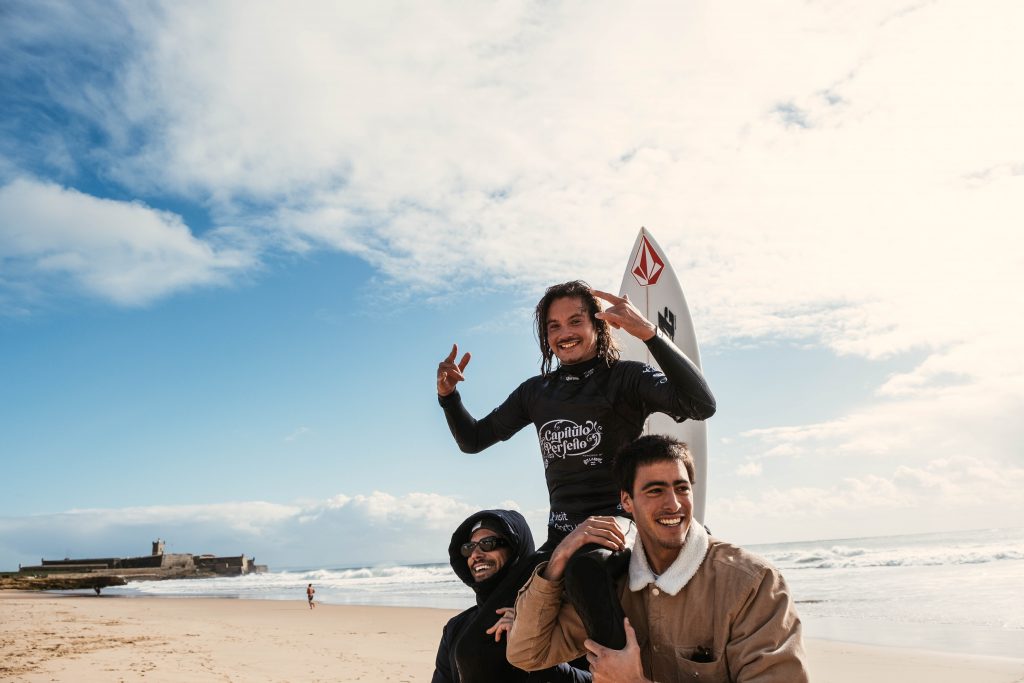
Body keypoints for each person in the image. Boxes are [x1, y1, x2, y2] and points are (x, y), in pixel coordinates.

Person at [436, 280, 716, 648]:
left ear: (597, 326)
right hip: (561, 536)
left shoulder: (626, 378)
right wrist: (448, 397)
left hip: (618, 524)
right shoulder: (536, 393)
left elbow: (699, 404)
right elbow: (473, 440)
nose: (564, 333)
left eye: (575, 321)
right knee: (474, 643)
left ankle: (618, 667)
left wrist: (649, 333)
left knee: (586, 567)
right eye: (554, 326)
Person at [506, 435, 809, 683]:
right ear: (626, 501)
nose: (673, 504)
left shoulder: (753, 583)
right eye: (655, 491)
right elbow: (527, 653)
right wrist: (559, 559)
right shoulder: (613, 580)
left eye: (681, 488)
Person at [431, 509, 590, 683]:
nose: (475, 555)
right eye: (468, 548)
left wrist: (529, 636)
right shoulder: (456, 628)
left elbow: (601, 678)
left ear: (516, 550)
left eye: (488, 543)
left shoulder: (563, 616)